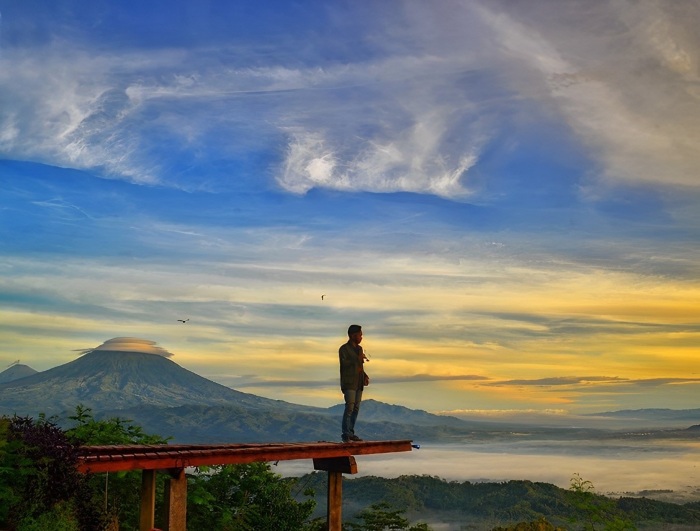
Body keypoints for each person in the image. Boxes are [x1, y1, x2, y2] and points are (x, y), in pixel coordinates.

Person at [339, 324, 368, 442]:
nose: (361, 337)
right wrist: (358, 358)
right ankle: (346, 434)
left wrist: (365, 376)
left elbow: (359, 366)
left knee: (356, 408)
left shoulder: (359, 349)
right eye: (360, 335)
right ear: (352, 335)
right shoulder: (343, 349)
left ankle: (351, 432)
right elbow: (345, 364)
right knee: (349, 407)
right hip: (349, 382)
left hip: (359, 382)